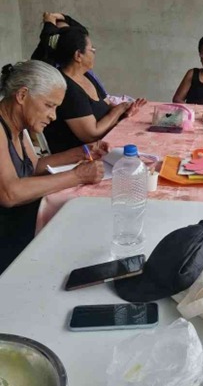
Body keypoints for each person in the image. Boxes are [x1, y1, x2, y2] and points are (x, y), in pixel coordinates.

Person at [0, 60, 106, 273]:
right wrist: (77, 176)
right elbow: (9, 193)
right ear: (22, 95)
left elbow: (35, 166)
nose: (53, 116)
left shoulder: (18, 126)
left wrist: (81, 152)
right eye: (49, 105)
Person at [44, 27, 146, 153]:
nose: (94, 54)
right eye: (92, 50)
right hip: (80, 155)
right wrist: (120, 109)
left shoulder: (86, 76)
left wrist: (125, 112)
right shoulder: (67, 88)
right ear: (78, 55)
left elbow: (108, 106)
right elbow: (91, 135)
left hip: (102, 144)